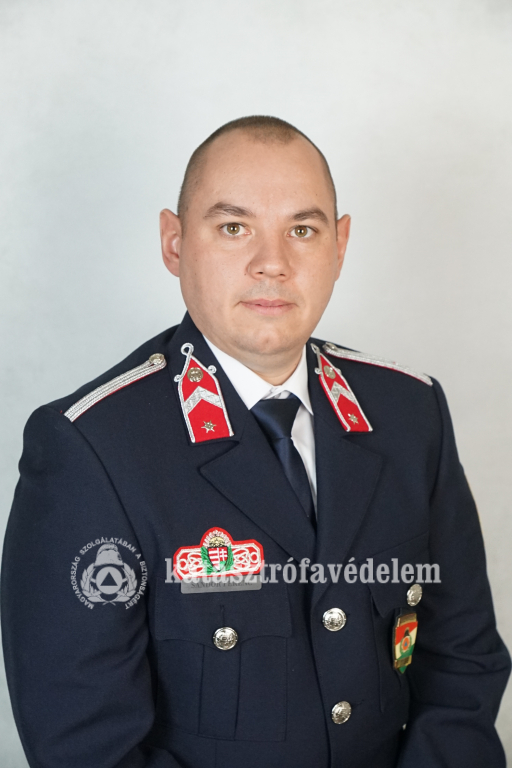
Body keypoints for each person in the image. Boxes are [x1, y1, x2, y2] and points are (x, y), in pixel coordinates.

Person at [1, 115, 509, 768]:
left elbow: (462, 660)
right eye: (234, 227)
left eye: (302, 230)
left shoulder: (410, 414)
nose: (273, 263)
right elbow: (87, 745)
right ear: (175, 243)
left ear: (339, 246)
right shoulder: (91, 452)